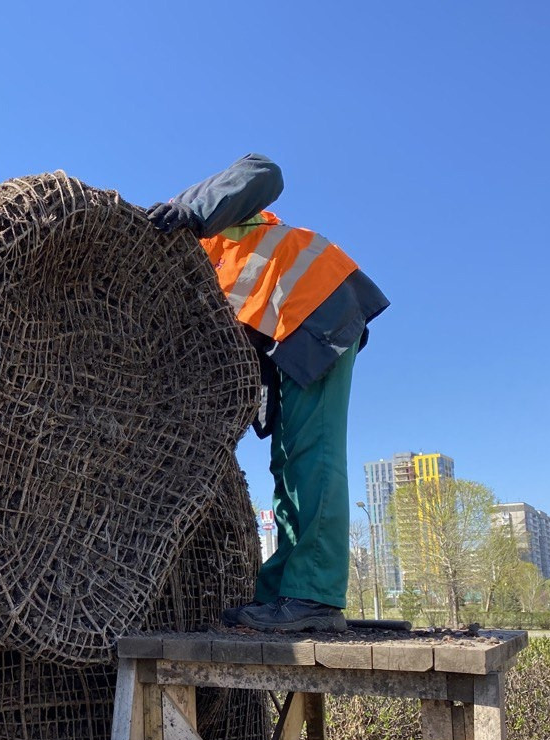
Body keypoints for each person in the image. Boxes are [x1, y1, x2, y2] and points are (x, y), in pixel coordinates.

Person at [146, 155, 389, 632]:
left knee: (312, 454)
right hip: (288, 330)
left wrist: (191, 211)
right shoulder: (180, 287)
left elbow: (265, 170)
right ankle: (284, 591)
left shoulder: (191, 224)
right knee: (287, 460)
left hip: (319, 305)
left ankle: (314, 597)